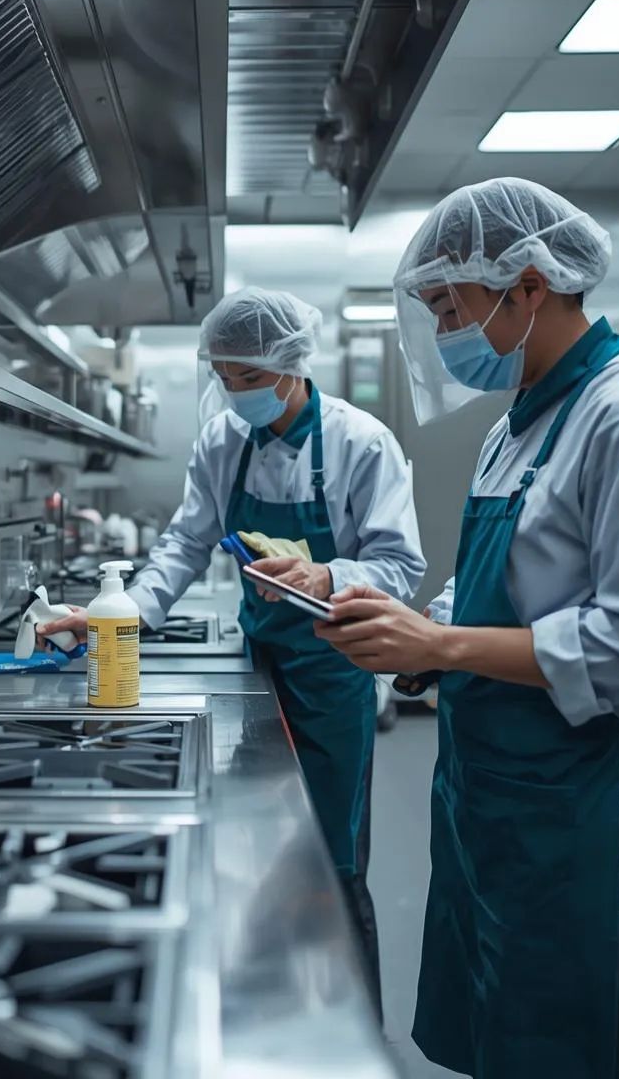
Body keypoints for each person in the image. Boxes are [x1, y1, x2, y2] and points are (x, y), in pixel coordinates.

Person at [316, 177, 619, 1079]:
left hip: (587, 833)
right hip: (496, 813)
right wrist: (410, 639)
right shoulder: (521, 425)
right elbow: (489, 588)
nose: (449, 334)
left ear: (531, 285)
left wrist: (443, 649)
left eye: (451, 307)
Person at [42, 287, 425, 1015]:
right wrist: (120, 617)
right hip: (260, 668)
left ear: (288, 364)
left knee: (335, 862)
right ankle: (269, 1008)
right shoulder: (223, 441)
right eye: (224, 376)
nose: (236, 391)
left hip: (334, 671)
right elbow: (187, 542)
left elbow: (401, 566)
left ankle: (355, 1030)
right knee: (260, 845)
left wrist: (328, 574)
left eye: (249, 377)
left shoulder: (359, 442)